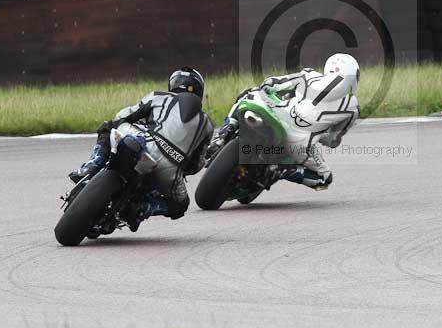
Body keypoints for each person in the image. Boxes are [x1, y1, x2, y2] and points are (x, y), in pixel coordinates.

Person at [69, 67, 214, 228]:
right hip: (170, 170)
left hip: (144, 142)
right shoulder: (207, 124)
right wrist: (179, 166)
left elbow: (122, 116)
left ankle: (92, 165)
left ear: (172, 85)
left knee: (108, 126)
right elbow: (196, 165)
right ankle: (144, 208)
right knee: (180, 205)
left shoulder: (157, 96)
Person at [206, 53, 361, 190]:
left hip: (278, 113)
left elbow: (271, 84)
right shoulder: (353, 108)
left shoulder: (309, 75)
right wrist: (321, 133)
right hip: (300, 143)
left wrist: (273, 95)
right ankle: (281, 170)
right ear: (354, 77)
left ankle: (222, 136)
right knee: (324, 178)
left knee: (248, 93)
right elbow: (332, 140)